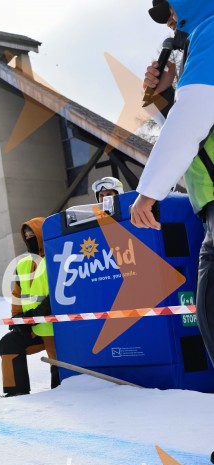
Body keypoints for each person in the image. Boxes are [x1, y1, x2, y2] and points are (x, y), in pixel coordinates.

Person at [132, 0, 214, 363]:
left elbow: (192, 120)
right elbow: (198, 138)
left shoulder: (210, 30)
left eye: (168, 11)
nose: (168, 23)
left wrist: (148, 193)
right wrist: (166, 94)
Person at [0, 218, 59, 397]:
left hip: (56, 328)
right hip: (33, 327)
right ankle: (15, 392)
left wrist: (33, 315)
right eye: (26, 236)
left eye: (33, 235)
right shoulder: (23, 264)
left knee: (58, 366)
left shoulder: (56, 258)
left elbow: (58, 293)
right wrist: (17, 319)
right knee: (9, 343)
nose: (29, 238)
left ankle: (62, 394)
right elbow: (17, 295)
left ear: (41, 235)